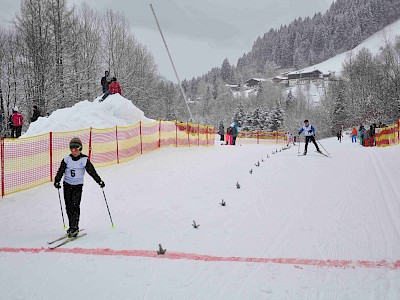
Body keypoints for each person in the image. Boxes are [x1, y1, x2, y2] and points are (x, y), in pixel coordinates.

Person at [53, 137, 105, 238]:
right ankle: (71, 226)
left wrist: (99, 181)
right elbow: (60, 171)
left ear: (80, 149)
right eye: (71, 149)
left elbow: (92, 172)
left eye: (76, 149)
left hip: (77, 186)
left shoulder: (84, 160)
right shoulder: (66, 159)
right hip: (67, 185)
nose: (73, 151)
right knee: (68, 207)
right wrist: (56, 181)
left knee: (75, 206)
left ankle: (75, 227)